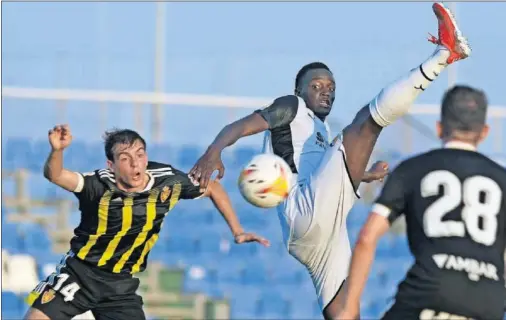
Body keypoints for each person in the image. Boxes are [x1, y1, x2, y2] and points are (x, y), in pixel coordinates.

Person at [189, 3, 471, 319]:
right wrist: (214, 151)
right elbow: (240, 126)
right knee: (367, 122)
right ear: (299, 90)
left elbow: (322, 170)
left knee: (344, 311)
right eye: (317, 85)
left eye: (331, 87)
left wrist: (362, 175)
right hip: (305, 209)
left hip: (315, 233)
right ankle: (444, 55)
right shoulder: (291, 106)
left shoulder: (318, 128)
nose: (326, 91)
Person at [24, 125, 269, 320]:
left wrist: (238, 231)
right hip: (80, 274)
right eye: (125, 158)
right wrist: (57, 150)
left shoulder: (168, 182)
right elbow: (55, 175)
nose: (135, 163)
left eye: (140, 155)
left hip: (120, 285)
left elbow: (212, 187)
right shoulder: (96, 185)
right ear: (111, 165)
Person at [339, 85, 506, 320]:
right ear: (485, 132)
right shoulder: (502, 180)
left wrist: (349, 308)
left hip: (429, 294)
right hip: (488, 302)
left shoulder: (412, 169)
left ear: (439, 128)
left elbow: (367, 237)